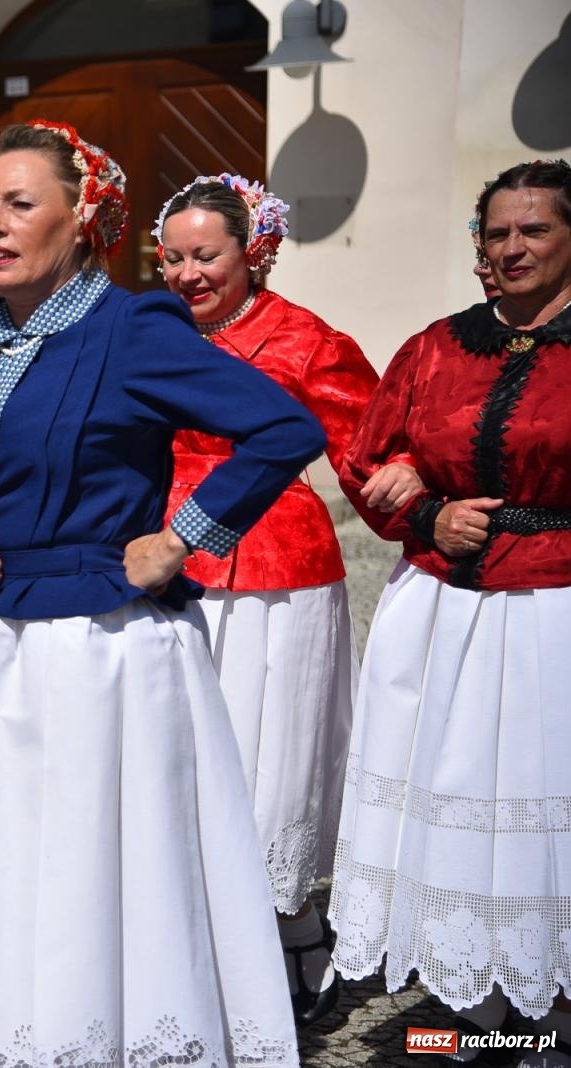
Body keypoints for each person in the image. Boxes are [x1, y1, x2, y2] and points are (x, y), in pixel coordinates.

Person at [0, 121, 325, 1068]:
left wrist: (184, 540)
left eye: (21, 204)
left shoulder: (133, 330)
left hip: (98, 656)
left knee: (82, 881)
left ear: (85, 216)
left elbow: (281, 427)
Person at [331, 158, 571, 1046]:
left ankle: (555, 999)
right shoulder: (437, 346)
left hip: (555, 608)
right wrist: (427, 509)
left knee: (545, 798)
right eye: (497, 232)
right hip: (443, 606)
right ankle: (479, 998)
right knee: (459, 788)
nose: (512, 247)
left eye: (534, 229)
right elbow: (363, 457)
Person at [153, 173, 388, 1024]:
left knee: (273, 758)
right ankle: (193, 935)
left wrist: (419, 514)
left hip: (277, 571)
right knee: (177, 755)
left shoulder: (306, 338)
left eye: (205, 255)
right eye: (172, 258)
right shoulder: (150, 331)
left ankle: (296, 930)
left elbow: (369, 444)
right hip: (162, 561)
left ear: (256, 251)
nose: (186, 274)